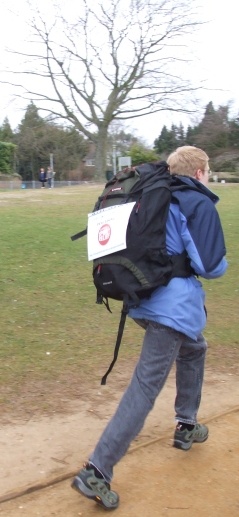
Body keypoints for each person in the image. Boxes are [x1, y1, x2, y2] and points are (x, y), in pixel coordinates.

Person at [71, 146, 228, 510]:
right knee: (145, 385)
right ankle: (98, 468)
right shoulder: (194, 201)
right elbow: (210, 265)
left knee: (195, 348)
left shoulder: (152, 194)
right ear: (201, 172)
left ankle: (186, 423)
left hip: (141, 299)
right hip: (170, 309)